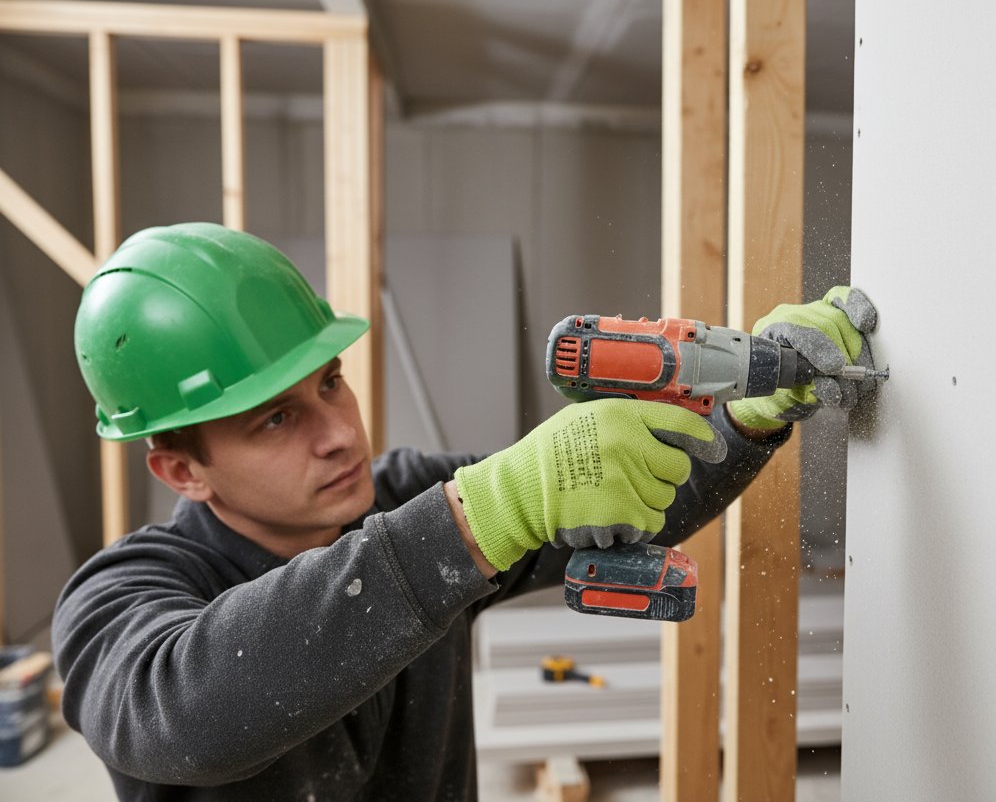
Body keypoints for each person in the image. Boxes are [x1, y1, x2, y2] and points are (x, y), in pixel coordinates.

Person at [52, 222, 878, 800]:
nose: (340, 433)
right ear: (180, 468)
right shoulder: (121, 595)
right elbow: (182, 717)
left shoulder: (403, 496)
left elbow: (631, 506)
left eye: (330, 383)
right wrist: (488, 511)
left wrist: (744, 416)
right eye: (275, 418)